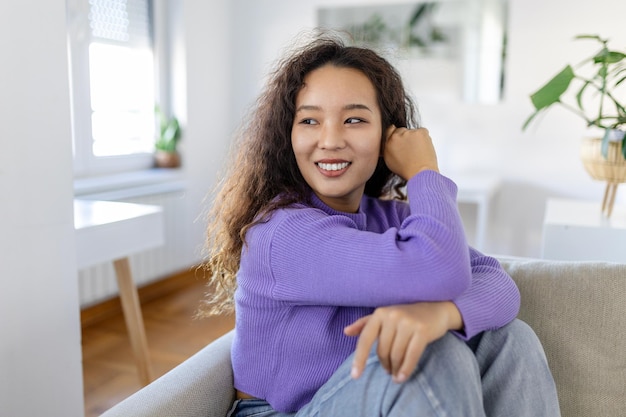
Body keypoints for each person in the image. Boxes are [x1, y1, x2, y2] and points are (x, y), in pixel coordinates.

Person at [202, 32, 561, 417]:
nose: (330, 139)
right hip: (283, 412)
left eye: (354, 119)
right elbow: (440, 268)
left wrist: (440, 314)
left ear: (387, 135)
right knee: (431, 357)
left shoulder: (389, 217)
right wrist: (424, 170)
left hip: (367, 401)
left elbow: (497, 282)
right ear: (288, 135)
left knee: (510, 339)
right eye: (309, 120)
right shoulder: (281, 232)